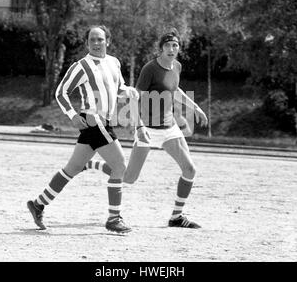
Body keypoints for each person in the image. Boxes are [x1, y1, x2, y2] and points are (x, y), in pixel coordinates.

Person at [84, 28, 208, 229]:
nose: (171, 48)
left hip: (170, 129)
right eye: (167, 45)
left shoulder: (177, 66)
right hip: (148, 130)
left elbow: (175, 90)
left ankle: (176, 216)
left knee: (190, 169)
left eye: (175, 45)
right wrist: (138, 124)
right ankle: (92, 164)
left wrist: (196, 108)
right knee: (129, 178)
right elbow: (134, 96)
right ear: (160, 49)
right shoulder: (150, 69)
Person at [27, 25, 139, 233]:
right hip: (94, 121)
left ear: (108, 41)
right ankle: (114, 218)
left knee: (72, 169)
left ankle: (38, 204)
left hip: (102, 123)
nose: (96, 43)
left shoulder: (114, 62)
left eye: (100, 39)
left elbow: (119, 89)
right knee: (120, 166)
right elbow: (61, 93)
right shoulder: (81, 66)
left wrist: (129, 91)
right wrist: (73, 115)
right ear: (87, 43)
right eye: (92, 40)